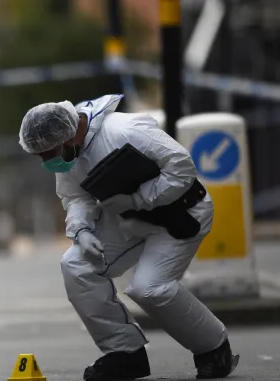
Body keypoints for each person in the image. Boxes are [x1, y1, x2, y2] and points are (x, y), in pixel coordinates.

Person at [18, 94, 239, 380]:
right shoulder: (68, 154)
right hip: (128, 218)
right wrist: (82, 230)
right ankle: (125, 354)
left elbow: (181, 169)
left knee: (149, 288)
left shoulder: (124, 131)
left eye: (49, 153)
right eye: (42, 156)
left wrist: (137, 199)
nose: (47, 161)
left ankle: (214, 350)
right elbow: (75, 197)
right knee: (76, 265)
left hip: (181, 213)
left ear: (68, 135)